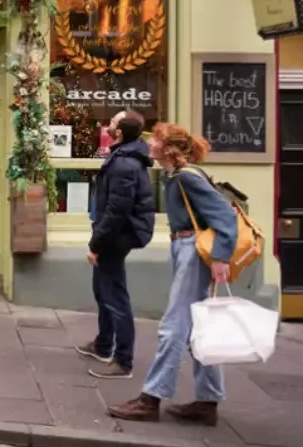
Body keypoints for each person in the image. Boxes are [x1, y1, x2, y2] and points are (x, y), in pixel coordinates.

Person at [107, 122, 237, 425]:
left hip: (194, 250)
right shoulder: (176, 176)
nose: (149, 144)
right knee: (197, 328)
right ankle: (207, 402)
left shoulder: (185, 177)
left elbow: (223, 216)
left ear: (167, 149)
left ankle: (150, 399)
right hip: (186, 247)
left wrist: (220, 257)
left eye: (155, 141)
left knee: (174, 326)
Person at [78, 110, 154, 379]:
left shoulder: (125, 163)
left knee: (114, 296)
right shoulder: (124, 155)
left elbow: (116, 210)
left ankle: (123, 360)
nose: (108, 124)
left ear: (120, 131)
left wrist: (96, 244)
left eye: (113, 122)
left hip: (117, 235)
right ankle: (103, 344)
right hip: (114, 232)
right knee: (103, 290)